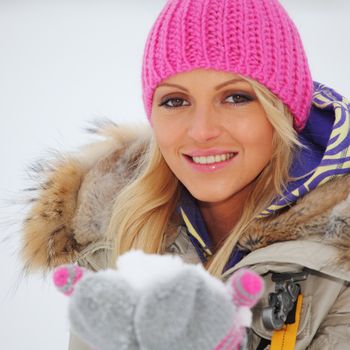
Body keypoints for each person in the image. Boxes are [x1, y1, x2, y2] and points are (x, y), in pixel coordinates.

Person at [21, 0, 350, 349]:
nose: (201, 131)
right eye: (175, 101)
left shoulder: (338, 258)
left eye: (236, 97)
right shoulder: (116, 233)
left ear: (283, 111)